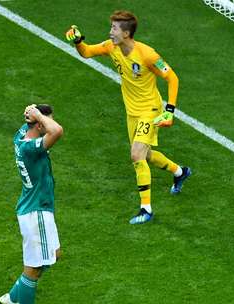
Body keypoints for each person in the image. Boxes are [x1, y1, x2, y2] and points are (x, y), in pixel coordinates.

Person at [66, 10, 192, 224]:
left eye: (114, 28)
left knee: (136, 155)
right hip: (131, 112)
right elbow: (87, 52)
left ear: (126, 33)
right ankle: (180, 172)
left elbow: (172, 78)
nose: (110, 31)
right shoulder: (110, 47)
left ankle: (146, 209)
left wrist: (169, 110)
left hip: (150, 111)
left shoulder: (147, 55)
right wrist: (78, 41)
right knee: (147, 155)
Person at [0, 104, 64, 304]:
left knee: (52, 256)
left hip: (37, 208)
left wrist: (33, 113)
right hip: (36, 212)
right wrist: (38, 116)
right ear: (38, 124)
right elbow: (57, 131)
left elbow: (48, 128)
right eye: (45, 122)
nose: (49, 125)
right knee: (34, 268)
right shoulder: (31, 148)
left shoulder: (21, 136)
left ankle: (12, 297)